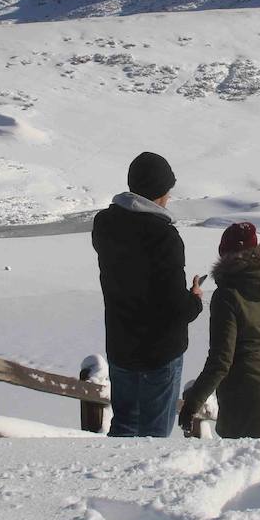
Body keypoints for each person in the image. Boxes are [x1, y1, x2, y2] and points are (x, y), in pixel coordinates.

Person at [92, 151, 203, 437]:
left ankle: (115, 478)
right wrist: (195, 300)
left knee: (124, 427)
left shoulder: (105, 225)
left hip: (121, 345)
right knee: (154, 437)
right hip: (159, 353)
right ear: (160, 192)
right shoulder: (163, 237)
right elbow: (174, 307)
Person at [179, 222, 260, 442]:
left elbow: (221, 360)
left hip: (244, 401)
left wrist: (193, 403)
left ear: (224, 254)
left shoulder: (227, 295)